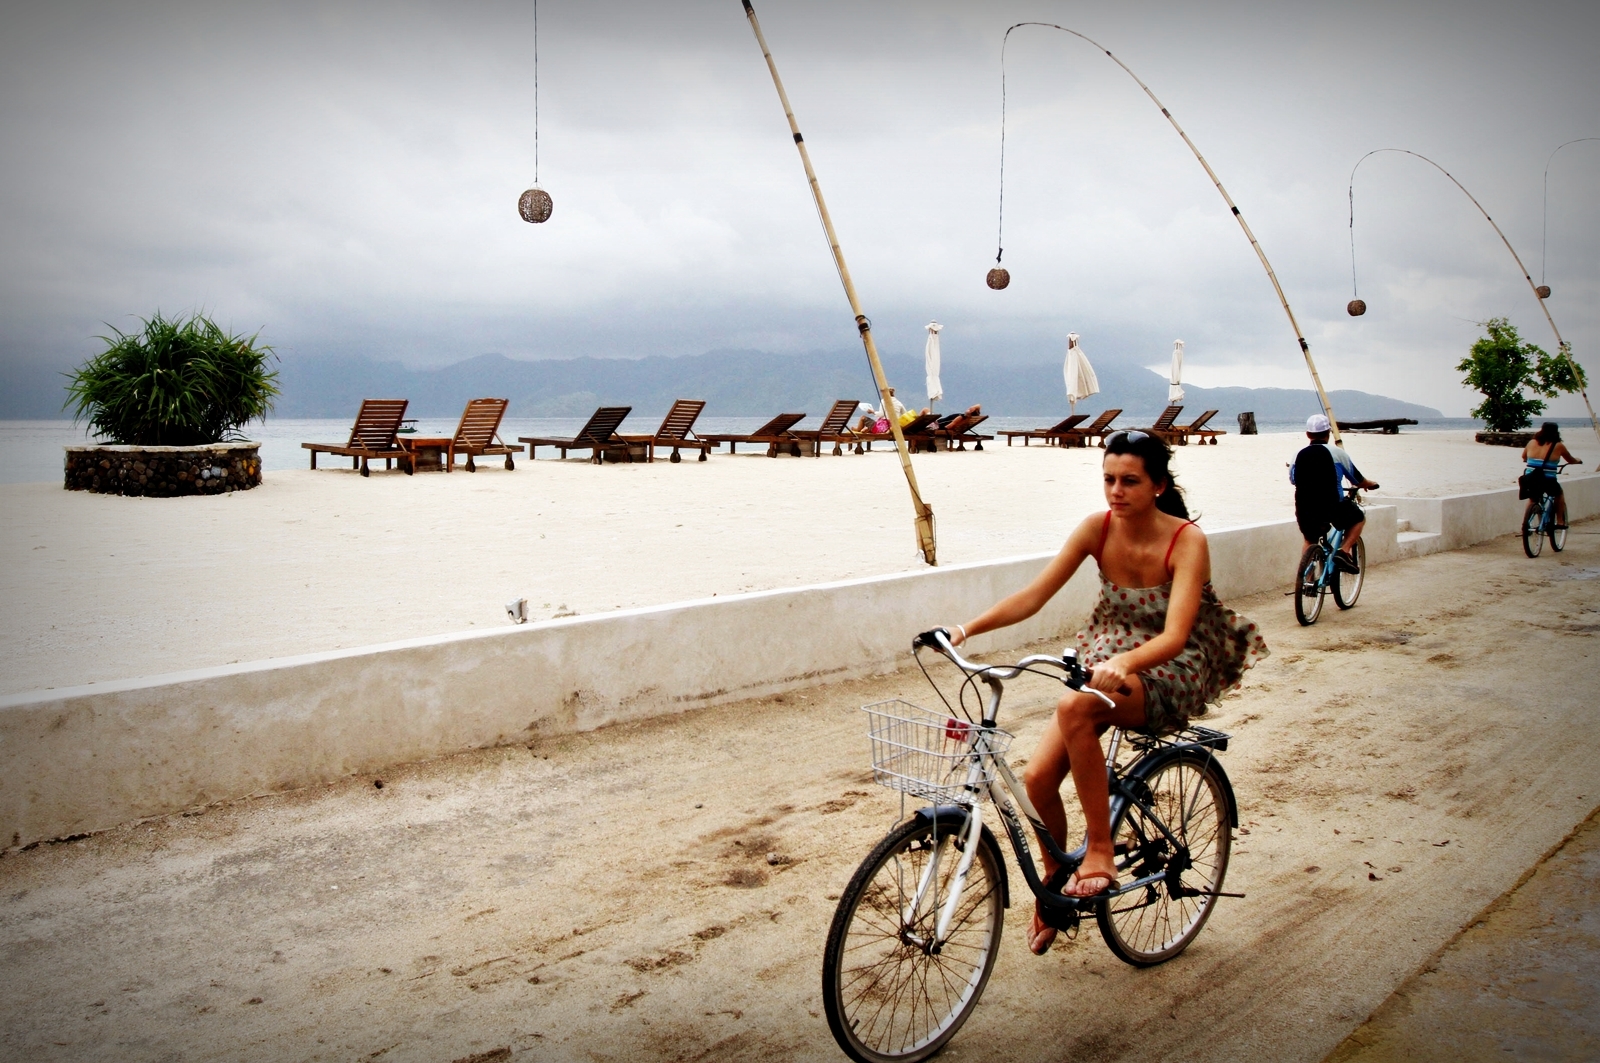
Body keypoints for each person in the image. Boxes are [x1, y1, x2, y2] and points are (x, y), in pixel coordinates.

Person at [942, 430, 1268, 955]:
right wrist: (963, 630)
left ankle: (1100, 851)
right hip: (1106, 659)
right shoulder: (1097, 528)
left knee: (1073, 707)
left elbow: (1175, 636)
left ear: (1158, 485)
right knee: (1037, 779)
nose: (1116, 491)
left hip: (1169, 667)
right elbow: (1034, 596)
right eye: (1109, 480)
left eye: (1130, 481)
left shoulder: (1186, 540)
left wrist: (1122, 663)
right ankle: (1054, 890)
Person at [1291, 414, 1379, 573]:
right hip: (1332, 506)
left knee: (1310, 540)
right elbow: (1357, 479)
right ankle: (1344, 551)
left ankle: (1307, 580)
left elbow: (1293, 479)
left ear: (1307, 434)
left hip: (1305, 508)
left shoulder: (1298, 455)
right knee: (1358, 518)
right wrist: (1369, 484)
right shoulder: (1338, 453)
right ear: (1328, 433)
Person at [1521, 422, 1582, 528]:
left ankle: (1525, 525)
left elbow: (1524, 457)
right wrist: (1577, 461)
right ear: (1556, 432)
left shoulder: (1531, 442)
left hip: (1529, 478)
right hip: (1547, 479)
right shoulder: (1558, 445)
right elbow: (1570, 459)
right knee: (1559, 494)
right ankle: (1560, 521)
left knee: (1532, 499)